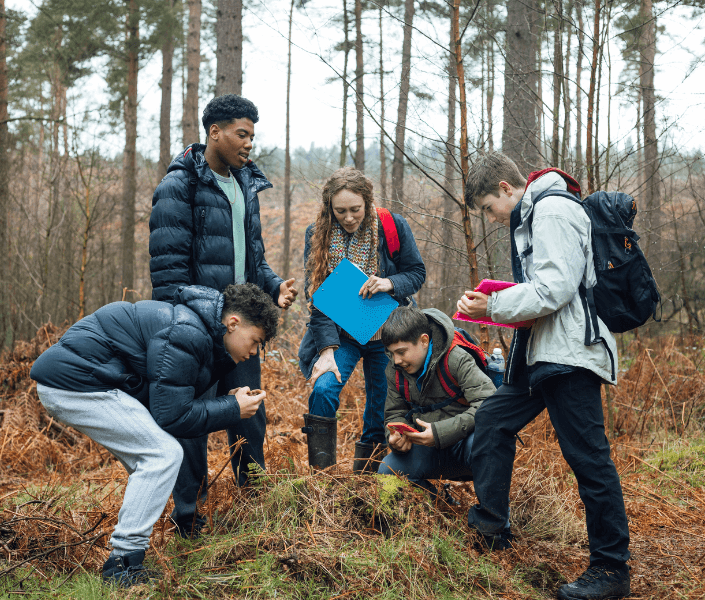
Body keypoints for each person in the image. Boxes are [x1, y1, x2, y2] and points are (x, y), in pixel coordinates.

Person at [456, 151, 631, 600]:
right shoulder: (533, 215)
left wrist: (493, 306)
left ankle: (611, 570)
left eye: (488, 209)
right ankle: (490, 531)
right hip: (539, 352)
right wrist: (498, 299)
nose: (492, 219)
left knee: (588, 458)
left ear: (504, 189)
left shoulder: (552, 209)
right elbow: (544, 289)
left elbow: (555, 288)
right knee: (493, 420)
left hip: (570, 353)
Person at [29, 284, 280, 586]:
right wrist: (231, 408)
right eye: (255, 342)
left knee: (155, 458)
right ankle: (122, 564)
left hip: (82, 382)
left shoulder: (200, 332)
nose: (254, 352)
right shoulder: (187, 333)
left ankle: (126, 559)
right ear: (233, 323)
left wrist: (228, 400)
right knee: (162, 455)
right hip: (73, 383)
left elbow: (172, 400)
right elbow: (172, 416)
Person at [149, 95, 297, 536]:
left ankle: (255, 509)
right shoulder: (180, 186)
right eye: (241, 134)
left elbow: (254, 257)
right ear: (214, 132)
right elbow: (168, 278)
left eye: (253, 135)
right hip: (195, 331)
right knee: (192, 422)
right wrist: (215, 314)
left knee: (248, 415)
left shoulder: (246, 185)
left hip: (240, 329)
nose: (249, 144)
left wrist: (273, 286)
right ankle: (188, 518)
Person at [298, 167, 426, 472]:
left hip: (388, 335)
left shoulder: (392, 226)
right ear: (329, 207)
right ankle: (322, 480)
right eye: (340, 210)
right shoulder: (317, 234)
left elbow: (416, 273)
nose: (349, 217)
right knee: (324, 388)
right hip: (341, 336)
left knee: (380, 408)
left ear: (367, 203)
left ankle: (368, 484)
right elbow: (318, 298)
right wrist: (326, 351)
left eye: (355, 209)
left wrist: (388, 283)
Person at [377, 306, 497, 500]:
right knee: (389, 470)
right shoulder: (394, 370)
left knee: (491, 443)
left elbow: (488, 402)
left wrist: (441, 433)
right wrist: (396, 439)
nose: (396, 360)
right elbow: (394, 413)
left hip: (467, 445)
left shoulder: (456, 358)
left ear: (424, 341)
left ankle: (491, 521)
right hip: (427, 448)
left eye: (401, 352)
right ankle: (440, 504)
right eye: (391, 353)